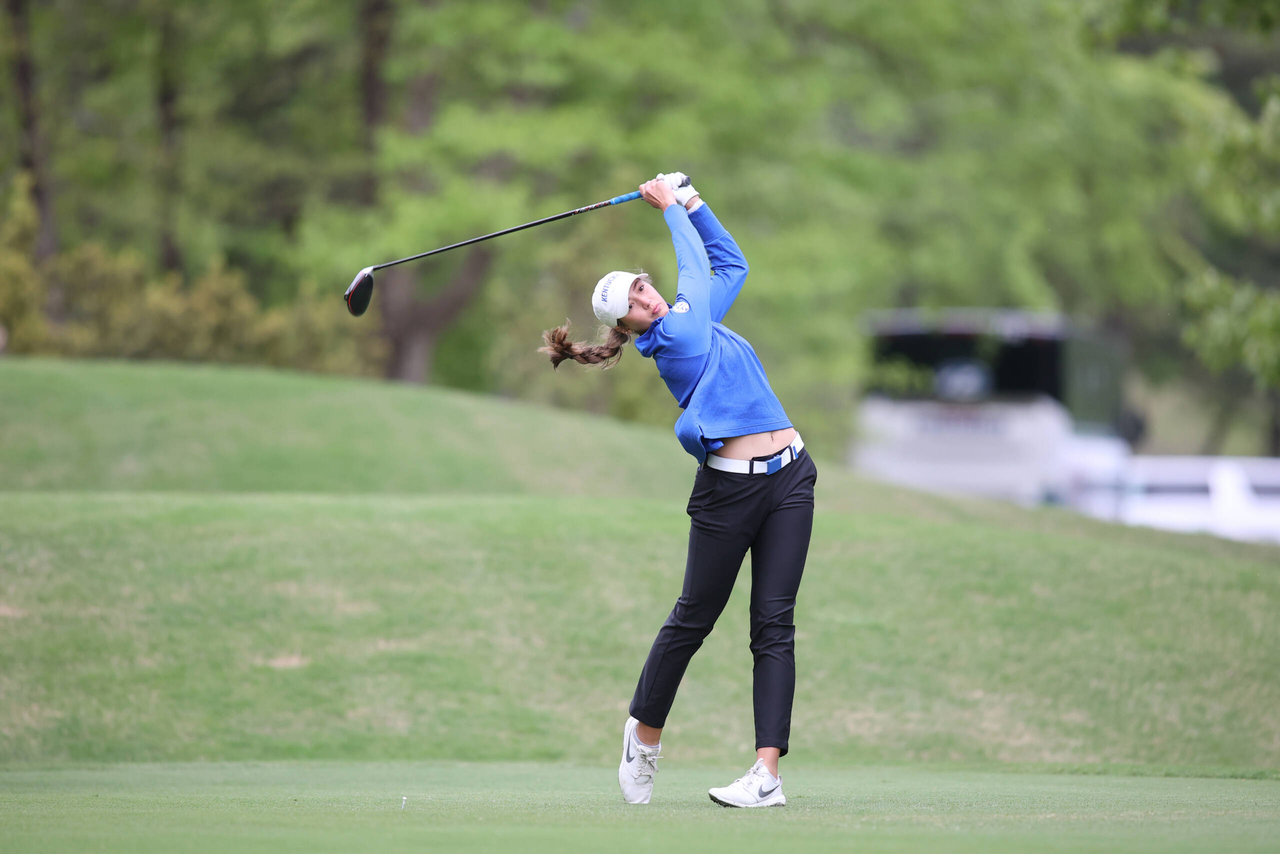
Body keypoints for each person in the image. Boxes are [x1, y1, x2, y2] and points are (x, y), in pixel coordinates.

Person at [539, 173, 816, 809]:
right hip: (729, 496)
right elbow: (693, 275)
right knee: (694, 618)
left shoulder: (696, 315)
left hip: (792, 478)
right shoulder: (674, 342)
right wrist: (670, 211)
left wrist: (693, 199)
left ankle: (766, 775)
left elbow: (730, 262)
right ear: (627, 326)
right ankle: (643, 734)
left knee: (774, 626)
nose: (649, 301)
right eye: (636, 303)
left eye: (645, 287)